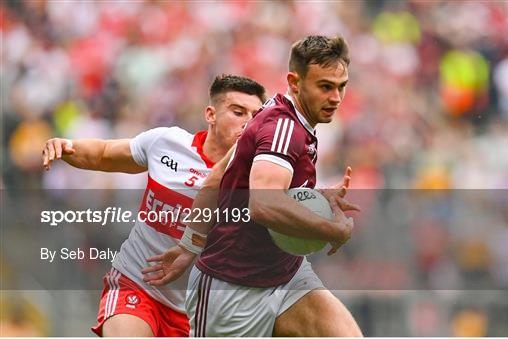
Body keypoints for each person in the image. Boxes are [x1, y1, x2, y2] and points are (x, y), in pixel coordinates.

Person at [143, 35, 363, 336]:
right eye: (325, 86)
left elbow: (219, 176)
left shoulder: (280, 115)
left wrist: (188, 245)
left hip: (287, 275)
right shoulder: (283, 128)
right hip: (233, 288)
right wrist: (332, 229)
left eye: (341, 86)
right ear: (294, 82)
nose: (336, 98)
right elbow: (263, 204)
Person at [41, 75, 266, 337]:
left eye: (256, 116)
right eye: (238, 112)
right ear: (211, 114)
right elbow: (103, 154)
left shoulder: (258, 179)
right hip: (135, 285)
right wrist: (66, 146)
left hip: (196, 313)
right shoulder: (167, 143)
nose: (249, 122)